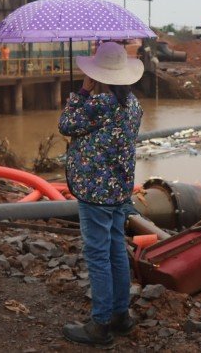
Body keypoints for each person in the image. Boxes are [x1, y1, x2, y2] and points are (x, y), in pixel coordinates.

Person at [58, 42, 144, 345]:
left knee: (98, 255)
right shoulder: (133, 105)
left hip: (95, 192)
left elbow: (66, 125)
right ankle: (121, 316)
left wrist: (82, 91)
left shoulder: (99, 105)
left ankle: (100, 325)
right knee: (116, 251)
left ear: (99, 74)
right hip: (120, 189)